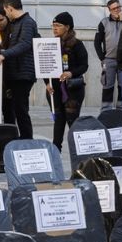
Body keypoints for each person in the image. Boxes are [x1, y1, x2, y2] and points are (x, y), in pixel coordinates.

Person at [0, 0, 39, 139]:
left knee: (21, 110)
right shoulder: (17, 23)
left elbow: (25, 44)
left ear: (10, 8)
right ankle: (14, 139)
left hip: (23, 74)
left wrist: (4, 55)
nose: (6, 15)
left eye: (6, 12)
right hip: (15, 74)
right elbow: (12, 47)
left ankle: (27, 140)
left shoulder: (28, 22)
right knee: (13, 109)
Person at [44, 12, 88, 150]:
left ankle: (78, 150)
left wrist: (71, 73)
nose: (54, 28)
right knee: (58, 119)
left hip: (72, 88)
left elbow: (84, 66)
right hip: (55, 88)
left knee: (72, 121)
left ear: (67, 27)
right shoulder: (50, 44)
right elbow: (45, 66)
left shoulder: (77, 44)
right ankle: (56, 149)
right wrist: (47, 83)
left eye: (58, 25)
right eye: (53, 25)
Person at [93, 0, 122, 111]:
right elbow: (97, 42)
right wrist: (102, 58)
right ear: (109, 10)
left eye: (118, 7)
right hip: (109, 60)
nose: (117, 10)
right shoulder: (104, 22)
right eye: (114, 8)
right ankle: (106, 110)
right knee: (107, 86)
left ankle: (121, 109)